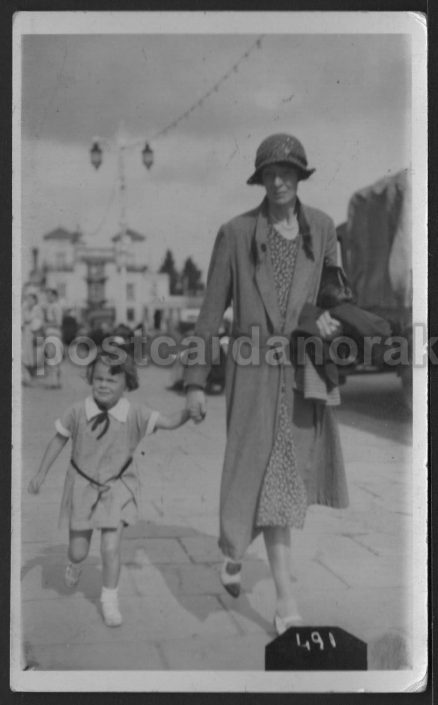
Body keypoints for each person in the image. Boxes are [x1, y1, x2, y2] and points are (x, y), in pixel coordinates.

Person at [184, 134, 349, 635]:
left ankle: (277, 591)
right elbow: (211, 312)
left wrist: (329, 317)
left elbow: (336, 291)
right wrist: (195, 381)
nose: (280, 181)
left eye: (288, 172)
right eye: (270, 174)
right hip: (253, 373)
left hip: (301, 375)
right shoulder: (235, 234)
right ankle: (250, 566)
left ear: (300, 176)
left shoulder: (321, 228)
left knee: (282, 477)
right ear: (260, 180)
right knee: (251, 470)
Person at [28, 347, 190, 627]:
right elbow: (57, 440)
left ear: (127, 384)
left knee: (110, 548)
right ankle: (75, 563)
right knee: (78, 549)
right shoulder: (78, 411)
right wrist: (41, 473)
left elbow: (168, 421)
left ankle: (109, 599)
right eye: (99, 378)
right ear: (91, 378)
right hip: (82, 485)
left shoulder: (135, 413)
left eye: (111, 380)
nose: (103, 384)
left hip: (117, 487)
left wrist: (189, 411)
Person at [21, 291, 45, 386]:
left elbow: (37, 322)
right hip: (27, 333)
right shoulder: (25, 308)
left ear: (35, 300)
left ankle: (32, 376)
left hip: (36, 333)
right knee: (26, 355)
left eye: (31, 299)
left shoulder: (37, 309)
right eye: (28, 299)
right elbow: (24, 320)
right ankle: (27, 377)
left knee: (37, 355)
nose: (29, 301)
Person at [44, 288, 64, 389]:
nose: (48, 297)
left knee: (54, 358)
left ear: (55, 296)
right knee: (52, 358)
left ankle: (54, 383)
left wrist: (45, 324)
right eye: (47, 295)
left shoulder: (56, 307)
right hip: (50, 334)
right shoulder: (51, 306)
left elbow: (58, 323)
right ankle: (53, 382)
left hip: (54, 334)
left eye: (50, 295)